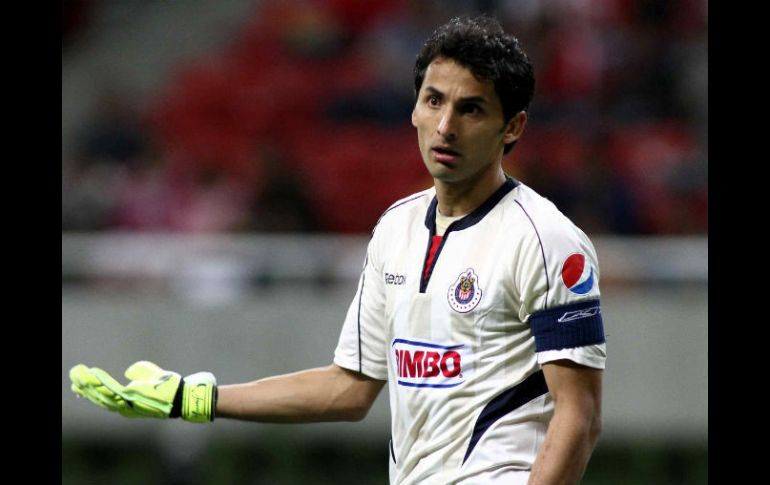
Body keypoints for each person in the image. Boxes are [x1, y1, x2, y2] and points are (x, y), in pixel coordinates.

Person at [70, 16, 606, 485]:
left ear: (512, 127)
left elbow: (578, 416)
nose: (445, 126)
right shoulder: (396, 229)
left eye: (471, 110)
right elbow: (349, 387)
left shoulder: (547, 240)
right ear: (414, 108)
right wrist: (199, 399)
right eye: (434, 101)